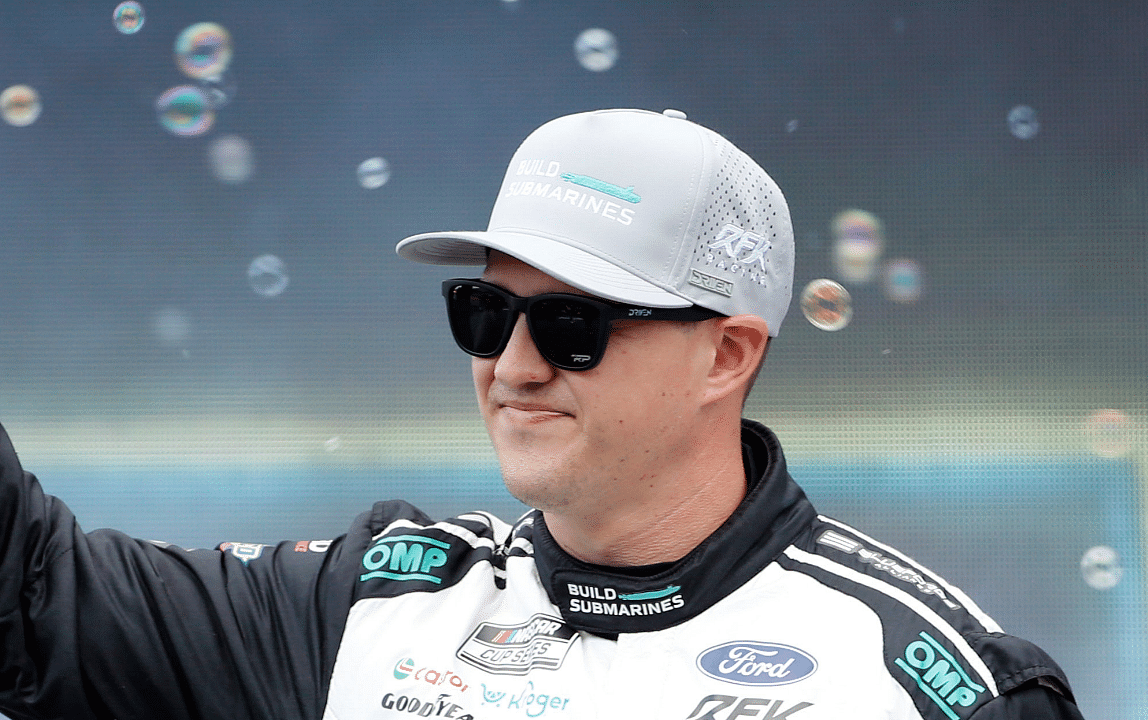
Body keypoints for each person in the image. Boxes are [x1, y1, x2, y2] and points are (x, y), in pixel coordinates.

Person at [0, 108, 1085, 720]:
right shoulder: (365, 608)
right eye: (483, 312)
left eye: (572, 325)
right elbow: (30, 594)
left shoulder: (928, 685)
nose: (512, 365)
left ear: (726, 353)